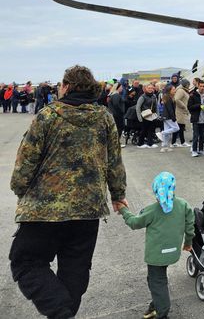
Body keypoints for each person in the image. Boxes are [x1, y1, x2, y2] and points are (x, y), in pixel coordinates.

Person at [10, 65, 127, 319]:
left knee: (26, 262)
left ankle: (61, 313)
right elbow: (114, 161)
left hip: (44, 210)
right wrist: (118, 194)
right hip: (87, 210)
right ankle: (63, 311)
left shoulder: (47, 116)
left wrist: (19, 188)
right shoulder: (104, 117)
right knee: (76, 268)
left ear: (66, 86)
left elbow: (25, 161)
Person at [118, 172, 194, 319]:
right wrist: (188, 243)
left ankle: (162, 311)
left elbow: (134, 223)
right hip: (173, 252)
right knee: (156, 279)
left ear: (155, 190)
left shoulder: (152, 210)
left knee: (157, 281)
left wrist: (123, 210)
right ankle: (156, 304)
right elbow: (190, 226)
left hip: (156, 255)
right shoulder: (183, 205)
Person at [188, 80, 204, 157]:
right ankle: (194, 150)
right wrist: (198, 105)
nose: (202, 88)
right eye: (201, 86)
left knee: (202, 136)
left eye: (203, 86)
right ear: (198, 86)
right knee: (196, 136)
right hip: (196, 119)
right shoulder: (193, 95)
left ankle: (201, 150)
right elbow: (189, 107)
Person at [136, 84, 159, 148]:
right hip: (145, 116)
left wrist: (157, 114)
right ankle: (140, 144)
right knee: (144, 130)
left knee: (151, 130)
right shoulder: (142, 97)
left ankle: (150, 143)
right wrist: (139, 117)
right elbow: (138, 107)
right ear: (145, 89)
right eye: (149, 88)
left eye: (151, 88)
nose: (150, 89)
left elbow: (156, 106)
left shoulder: (154, 96)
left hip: (152, 115)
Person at [159, 85, 180, 153]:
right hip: (168, 117)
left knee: (167, 132)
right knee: (176, 128)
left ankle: (165, 147)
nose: (175, 90)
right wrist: (173, 117)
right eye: (173, 89)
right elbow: (170, 109)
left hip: (166, 117)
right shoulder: (168, 98)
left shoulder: (168, 97)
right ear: (169, 91)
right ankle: (162, 133)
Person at [172, 78, 191, 148]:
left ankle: (174, 142)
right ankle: (182, 142)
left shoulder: (183, 90)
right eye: (188, 84)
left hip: (181, 111)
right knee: (180, 127)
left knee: (179, 127)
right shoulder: (181, 90)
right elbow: (176, 99)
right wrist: (184, 106)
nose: (189, 86)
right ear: (185, 85)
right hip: (180, 111)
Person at [107, 83, 127, 147]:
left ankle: (115, 142)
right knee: (119, 129)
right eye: (121, 87)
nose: (122, 88)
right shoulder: (116, 95)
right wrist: (121, 111)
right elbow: (116, 104)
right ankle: (117, 143)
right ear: (118, 87)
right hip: (117, 115)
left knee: (116, 129)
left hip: (114, 114)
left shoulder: (112, 95)